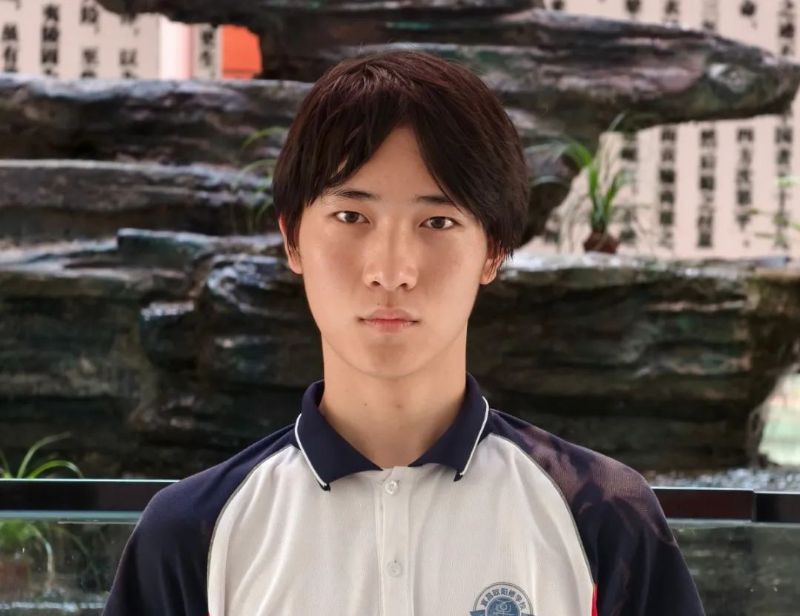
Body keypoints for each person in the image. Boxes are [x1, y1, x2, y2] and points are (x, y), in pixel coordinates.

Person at [102, 49, 706, 615]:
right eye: (351, 216)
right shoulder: (191, 535)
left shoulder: (603, 516)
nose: (391, 271)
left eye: (437, 221)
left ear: (494, 251)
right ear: (292, 239)